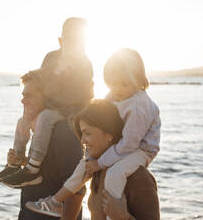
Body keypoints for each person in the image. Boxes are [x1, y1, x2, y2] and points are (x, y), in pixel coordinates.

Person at [26, 48, 161, 219]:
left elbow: (129, 145)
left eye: (124, 84)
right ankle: (55, 202)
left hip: (140, 149)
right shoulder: (115, 95)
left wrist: (122, 216)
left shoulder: (139, 107)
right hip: (120, 147)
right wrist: (95, 162)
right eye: (112, 83)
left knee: (114, 173)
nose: (118, 89)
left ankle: (113, 212)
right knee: (83, 166)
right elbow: (99, 114)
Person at [0, 17, 94, 188]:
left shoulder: (84, 64)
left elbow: (80, 95)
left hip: (73, 109)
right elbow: (40, 81)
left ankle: (32, 169)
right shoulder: (51, 58)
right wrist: (33, 108)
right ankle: (14, 163)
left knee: (45, 118)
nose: (76, 48)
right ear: (61, 41)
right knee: (23, 121)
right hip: (51, 104)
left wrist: (47, 106)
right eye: (72, 42)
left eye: (80, 44)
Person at [29, 99, 160, 219]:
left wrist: (123, 217)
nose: (82, 140)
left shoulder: (138, 178)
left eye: (88, 133)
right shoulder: (96, 172)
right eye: (81, 134)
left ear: (109, 135)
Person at [10, 71, 86, 220]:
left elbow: (77, 188)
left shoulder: (63, 133)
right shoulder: (41, 133)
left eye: (29, 95)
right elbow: (48, 175)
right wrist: (20, 162)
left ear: (47, 98)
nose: (23, 101)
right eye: (23, 95)